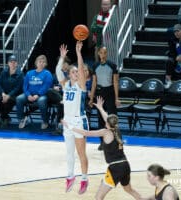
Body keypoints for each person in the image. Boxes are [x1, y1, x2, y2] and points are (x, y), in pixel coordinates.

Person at [63, 96, 141, 200]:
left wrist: (70, 127)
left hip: (116, 168)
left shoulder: (105, 132)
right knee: (129, 190)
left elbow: (87, 133)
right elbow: (107, 118)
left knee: (98, 197)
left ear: (107, 123)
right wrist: (100, 108)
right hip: (125, 165)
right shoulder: (117, 129)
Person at [56, 42, 89, 195]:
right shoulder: (65, 85)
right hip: (67, 122)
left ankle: (84, 178)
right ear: (69, 74)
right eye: (73, 72)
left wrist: (78, 53)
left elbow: (81, 69)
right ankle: (70, 176)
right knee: (69, 152)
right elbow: (57, 72)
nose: (76, 73)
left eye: (77, 72)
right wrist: (61, 58)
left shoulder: (81, 86)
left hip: (79, 121)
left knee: (81, 153)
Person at [89, 46, 120, 150]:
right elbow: (94, 83)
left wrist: (116, 98)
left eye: (105, 52)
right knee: (100, 118)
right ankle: (103, 142)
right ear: (98, 54)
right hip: (99, 92)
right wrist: (91, 98)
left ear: (107, 54)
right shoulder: (95, 65)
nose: (103, 54)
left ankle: (115, 141)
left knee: (112, 118)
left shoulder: (112, 65)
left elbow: (115, 82)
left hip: (110, 92)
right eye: (101, 52)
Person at [16, 55, 53, 130]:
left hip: (42, 95)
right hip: (29, 95)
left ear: (45, 64)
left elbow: (46, 86)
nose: (41, 63)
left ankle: (45, 121)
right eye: (40, 62)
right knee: (19, 98)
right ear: (36, 63)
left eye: (43, 62)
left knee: (41, 101)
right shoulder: (29, 73)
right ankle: (22, 119)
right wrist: (28, 95)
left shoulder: (47, 73)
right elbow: (25, 86)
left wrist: (38, 95)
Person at [0, 55, 24, 128]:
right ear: (8, 63)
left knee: (9, 101)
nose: (13, 63)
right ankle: (6, 117)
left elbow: (18, 87)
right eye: (11, 62)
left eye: (14, 62)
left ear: (17, 63)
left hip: (14, 94)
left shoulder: (20, 74)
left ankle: (2, 117)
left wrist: (9, 95)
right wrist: (3, 94)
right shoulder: (4, 72)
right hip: (4, 93)